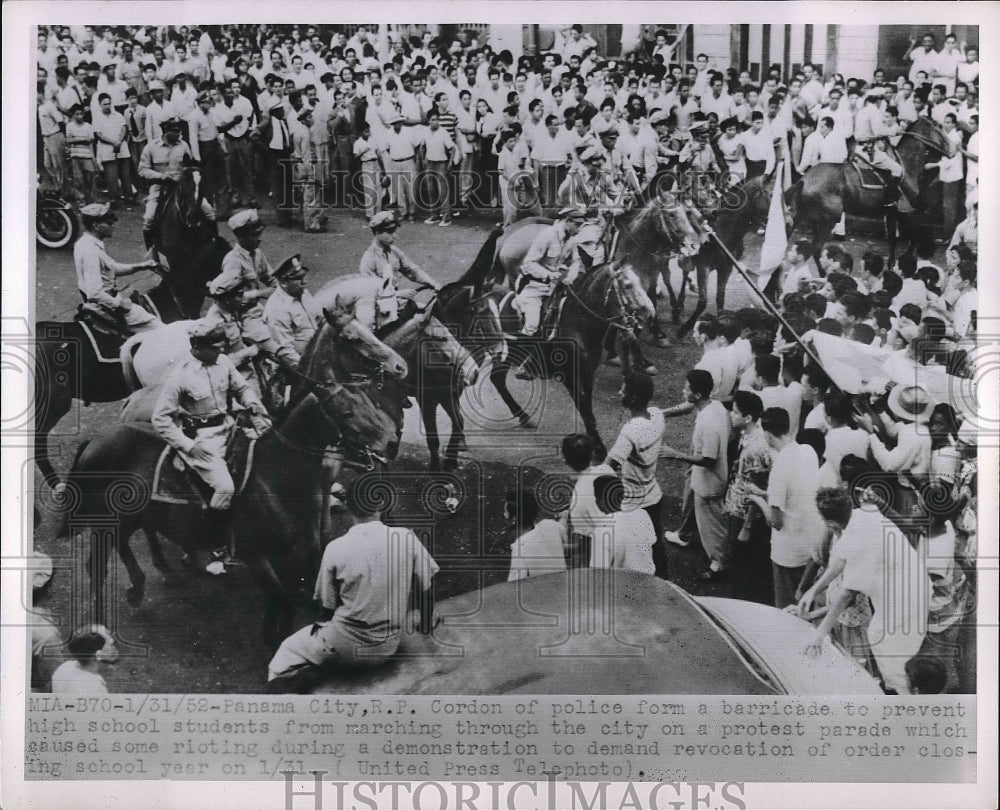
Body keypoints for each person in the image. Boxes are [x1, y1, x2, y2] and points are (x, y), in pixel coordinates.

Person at [267, 474, 439, 692]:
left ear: (347, 506)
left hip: (344, 647)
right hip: (388, 647)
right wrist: (425, 622)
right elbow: (427, 587)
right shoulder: (406, 537)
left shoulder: (336, 547)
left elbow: (327, 609)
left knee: (285, 653)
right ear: (382, 503)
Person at [152, 320, 271, 570]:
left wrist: (251, 402)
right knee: (225, 487)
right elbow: (160, 418)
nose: (221, 352)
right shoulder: (180, 376)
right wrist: (185, 444)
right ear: (197, 347)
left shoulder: (223, 362)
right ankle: (217, 546)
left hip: (230, 425)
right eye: (215, 348)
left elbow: (241, 387)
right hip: (202, 439)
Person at [800, 486, 930, 694]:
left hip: (908, 599)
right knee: (886, 645)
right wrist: (813, 591)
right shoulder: (861, 514)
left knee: (889, 651)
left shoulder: (861, 537)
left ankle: (905, 698)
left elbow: (847, 594)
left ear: (831, 523)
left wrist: (819, 634)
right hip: (905, 589)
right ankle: (898, 689)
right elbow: (841, 559)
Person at [746, 407, 825, 609]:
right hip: (810, 544)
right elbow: (798, 493)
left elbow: (776, 522)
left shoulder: (780, 467)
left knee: (786, 606)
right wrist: (767, 495)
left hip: (788, 552)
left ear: (767, 433)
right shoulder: (808, 451)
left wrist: (757, 499)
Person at [659, 369, 731, 580]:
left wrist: (676, 455)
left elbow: (709, 458)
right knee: (702, 515)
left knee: (711, 526)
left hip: (710, 482)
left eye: (687, 388)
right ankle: (688, 537)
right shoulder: (715, 407)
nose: (683, 391)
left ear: (697, 395)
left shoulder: (707, 422)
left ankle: (718, 562)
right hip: (707, 478)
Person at [605, 371, 668, 577]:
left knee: (634, 556)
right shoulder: (657, 415)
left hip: (633, 503)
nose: (618, 392)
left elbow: (608, 465)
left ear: (632, 398)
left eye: (623, 389)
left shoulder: (630, 431)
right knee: (656, 545)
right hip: (653, 493)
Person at [74, 202, 162, 332]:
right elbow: (94, 292)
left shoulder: (86, 242)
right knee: (161, 329)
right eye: (109, 223)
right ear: (96, 226)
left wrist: (141, 266)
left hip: (106, 300)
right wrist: (119, 304)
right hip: (104, 307)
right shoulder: (90, 251)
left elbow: (111, 269)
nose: (112, 226)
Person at [513, 205, 586, 347]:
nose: (579, 229)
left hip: (556, 289)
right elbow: (529, 263)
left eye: (581, 225)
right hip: (534, 287)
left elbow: (576, 261)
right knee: (532, 325)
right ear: (567, 220)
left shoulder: (572, 239)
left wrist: (570, 277)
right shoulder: (548, 235)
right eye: (576, 225)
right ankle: (519, 359)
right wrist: (549, 275)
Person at [138, 116, 215, 248]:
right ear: (165, 132)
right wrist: (162, 176)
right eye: (175, 131)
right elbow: (142, 170)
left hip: (182, 185)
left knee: (208, 209)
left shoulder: (183, 145)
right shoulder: (150, 147)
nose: (179, 134)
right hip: (159, 186)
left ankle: (214, 240)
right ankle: (151, 251)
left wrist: (188, 174)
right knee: (149, 217)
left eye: (179, 131)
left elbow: (189, 165)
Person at [358, 211, 441, 328]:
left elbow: (412, 271)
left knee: (431, 315)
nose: (395, 236)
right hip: (380, 312)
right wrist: (398, 294)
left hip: (398, 304)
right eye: (390, 232)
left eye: (394, 231)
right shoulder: (368, 259)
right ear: (377, 232)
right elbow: (368, 293)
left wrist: (432, 283)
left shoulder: (394, 251)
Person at [263, 253, 322, 368]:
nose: (304, 282)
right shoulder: (277, 309)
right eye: (298, 279)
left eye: (304, 276)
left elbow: (318, 318)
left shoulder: (301, 292)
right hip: (298, 366)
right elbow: (286, 352)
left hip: (318, 353)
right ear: (284, 283)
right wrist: (309, 369)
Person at [589, 475, 657, 575]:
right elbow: (652, 545)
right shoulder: (643, 514)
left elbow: (598, 573)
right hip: (649, 580)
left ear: (600, 502)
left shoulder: (601, 530)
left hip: (623, 586)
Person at [506, 489, 568, 581]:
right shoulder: (550, 526)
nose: (504, 515)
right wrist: (565, 516)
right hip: (563, 587)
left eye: (505, 512)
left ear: (514, 518)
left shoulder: (519, 547)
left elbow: (514, 586)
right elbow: (562, 525)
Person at [51, 625, 118, 694]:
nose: (113, 645)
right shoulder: (96, 688)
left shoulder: (64, 668)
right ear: (98, 655)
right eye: (110, 645)